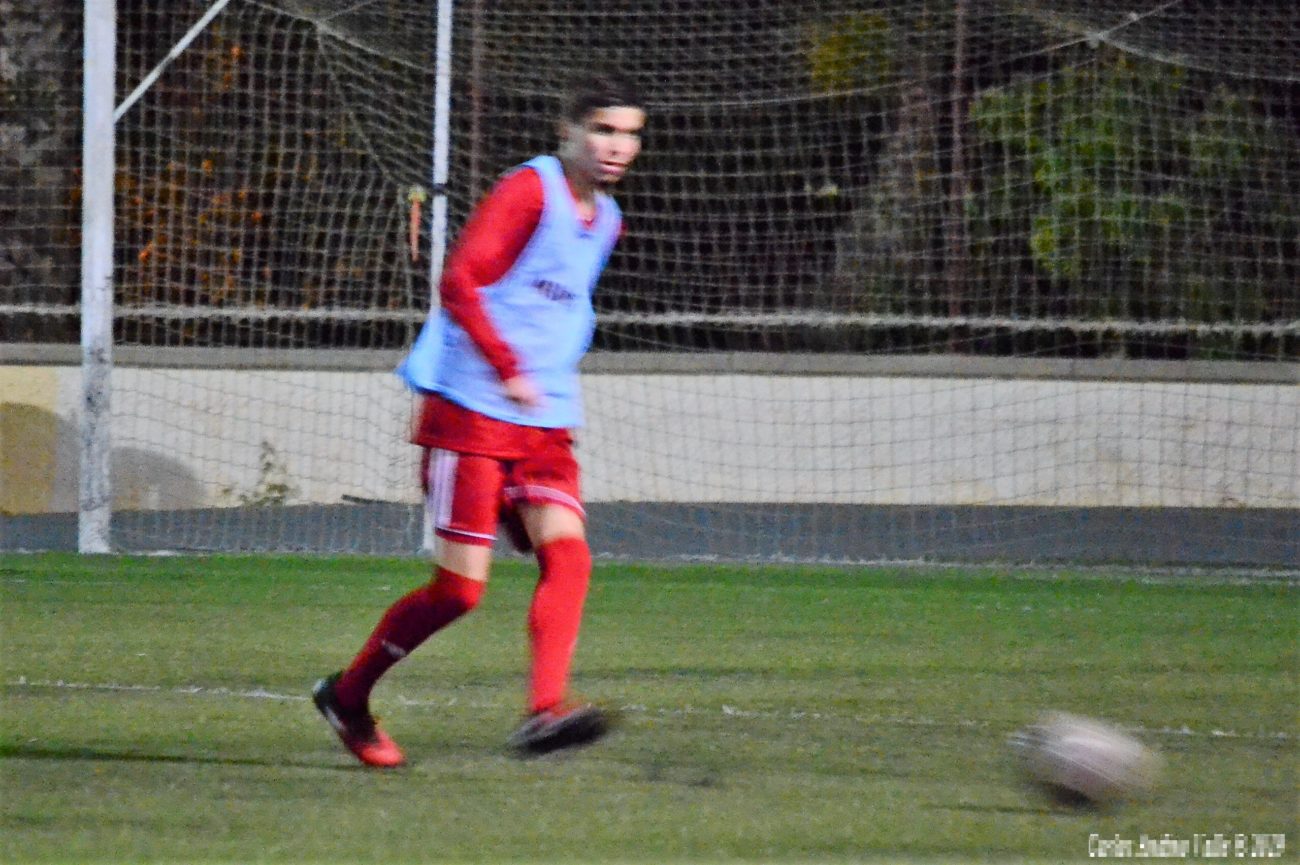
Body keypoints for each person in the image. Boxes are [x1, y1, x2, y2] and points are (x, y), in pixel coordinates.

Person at [312, 72, 647, 767]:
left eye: (630, 134)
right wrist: (507, 366)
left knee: (569, 555)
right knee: (460, 591)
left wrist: (547, 380)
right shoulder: (530, 190)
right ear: (568, 132)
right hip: (473, 412)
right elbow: (460, 281)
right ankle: (347, 696)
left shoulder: (609, 219)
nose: (618, 146)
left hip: (543, 421)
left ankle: (544, 712)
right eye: (603, 130)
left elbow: (555, 309)